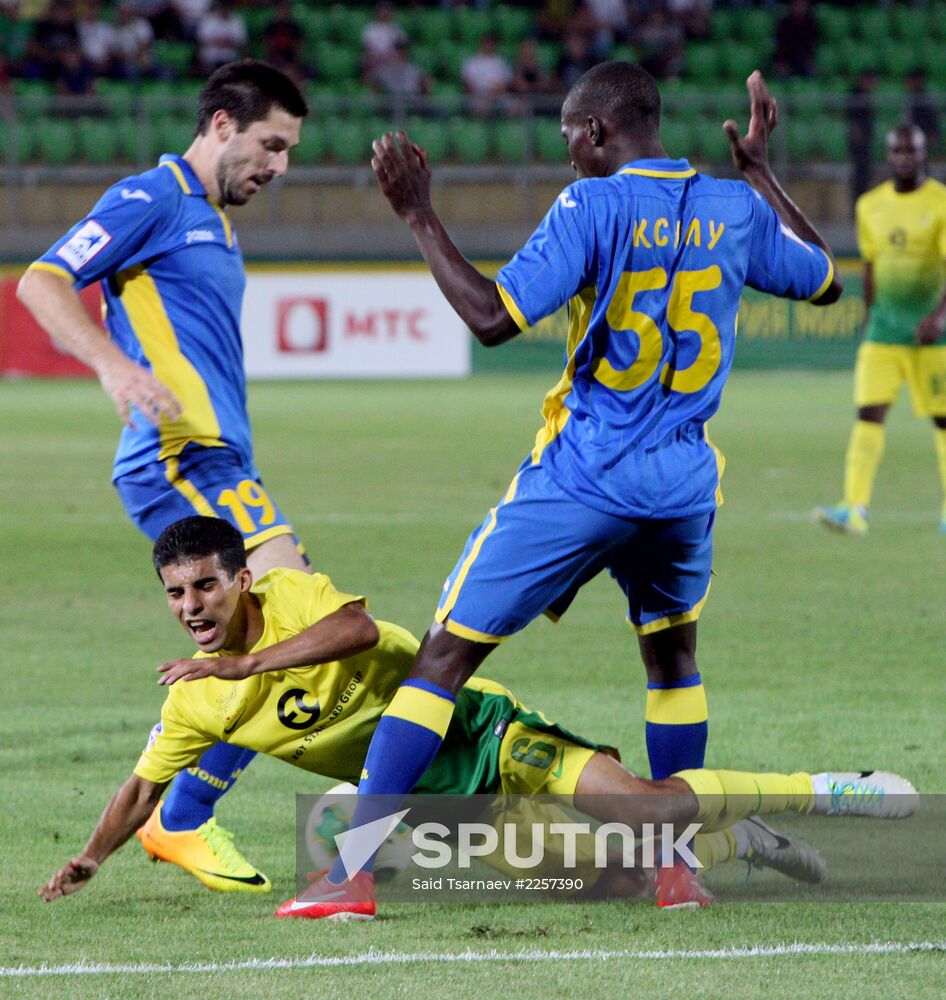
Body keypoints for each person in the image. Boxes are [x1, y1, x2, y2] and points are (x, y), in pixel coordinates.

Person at [314, 62, 843, 915]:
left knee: (443, 657)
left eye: (570, 139)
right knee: (672, 661)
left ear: (597, 130)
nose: (567, 158)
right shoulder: (736, 208)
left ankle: (352, 874)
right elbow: (825, 276)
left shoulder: (591, 206)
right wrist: (759, 172)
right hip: (683, 481)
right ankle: (677, 872)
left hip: (587, 471)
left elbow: (493, 319)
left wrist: (417, 212)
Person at [38, 516, 915, 916]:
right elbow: (138, 790)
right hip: (448, 811)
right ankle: (746, 839)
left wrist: (247, 659)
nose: (191, 604)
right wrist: (88, 856)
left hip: (491, 738)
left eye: (206, 585)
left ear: (241, 580)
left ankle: (830, 788)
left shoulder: (295, 597)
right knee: (616, 882)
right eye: (176, 593)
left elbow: (358, 627)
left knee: (646, 805)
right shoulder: (194, 698)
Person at [17, 60, 310, 897]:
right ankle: (177, 818)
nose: (278, 166)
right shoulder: (154, 197)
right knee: (286, 630)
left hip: (222, 464)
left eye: (287, 151)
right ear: (221, 123)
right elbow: (43, 281)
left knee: (288, 635)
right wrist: (111, 367)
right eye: (269, 145)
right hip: (176, 460)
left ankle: (177, 817)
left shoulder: (214, 221)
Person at [816, 126, 946, 536]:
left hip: (932, 334)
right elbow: (870, 266)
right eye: (897, 150)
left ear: (925, 154)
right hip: (884, 332)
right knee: (868, 414)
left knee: (943, 420)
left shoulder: (941, 203)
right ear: (888, 155)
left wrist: (941, 318)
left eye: (913, 150)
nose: (905, 157)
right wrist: (870, 313)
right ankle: (854, 507)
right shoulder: (870, 206)